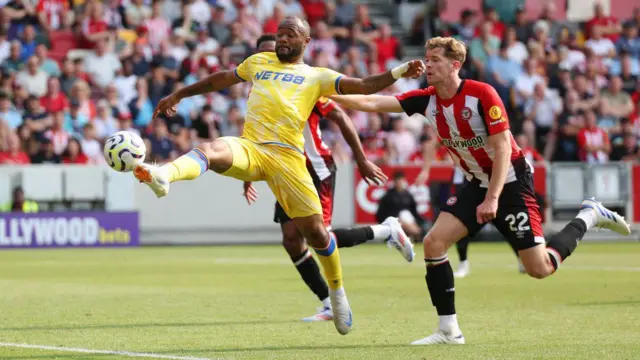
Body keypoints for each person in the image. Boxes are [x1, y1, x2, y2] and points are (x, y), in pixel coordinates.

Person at [133, 16, 424, 336]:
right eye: (280, 34)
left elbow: (364, 86)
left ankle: (337, 294)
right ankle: (164, 175)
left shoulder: (317, 77)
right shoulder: (259, 62)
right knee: (212, 148)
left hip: (290, 162)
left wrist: (399, 72)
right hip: (253, 149)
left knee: (316, 235)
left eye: (290, 34)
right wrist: (179, 95)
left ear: (306, 42)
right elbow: (219, 79)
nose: (282, 39)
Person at [330, 36, 631, 344]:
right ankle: (449, 330)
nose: (428, 64)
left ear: (454, 65)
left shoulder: (482, 94)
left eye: (435, 59)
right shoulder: (427, 99)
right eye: (427, 58)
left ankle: (589, 215)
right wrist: (325, 95)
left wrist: (494, 197)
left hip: (510, 182)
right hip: (475, 182)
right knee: (434, 244)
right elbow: (370, 102)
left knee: (539, 268)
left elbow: (502, 149)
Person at [241, 34, 415, 322]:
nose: (269, 60)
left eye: (273, 53)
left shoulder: (304, 83)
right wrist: (248, 174)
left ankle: (386, 231)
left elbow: (342, 118)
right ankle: (326, 303)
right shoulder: (260, 88)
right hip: (283, 168)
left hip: (314, 167)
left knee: (320, 237)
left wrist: (361, 159)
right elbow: (254, 138)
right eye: (263, 56)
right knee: (291, 241)